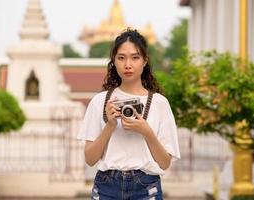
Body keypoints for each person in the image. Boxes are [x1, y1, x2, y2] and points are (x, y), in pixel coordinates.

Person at [77, 28, 180, 200]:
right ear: (114, 61)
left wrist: (146, 131)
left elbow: (165, 163)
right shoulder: (99, 102)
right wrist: (110, 126)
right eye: (121, 58)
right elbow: (90, 159)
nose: (128, 65)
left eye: (135, 57)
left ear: (145, 61)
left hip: (146, 188)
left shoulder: (159, 104)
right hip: (106, 186)